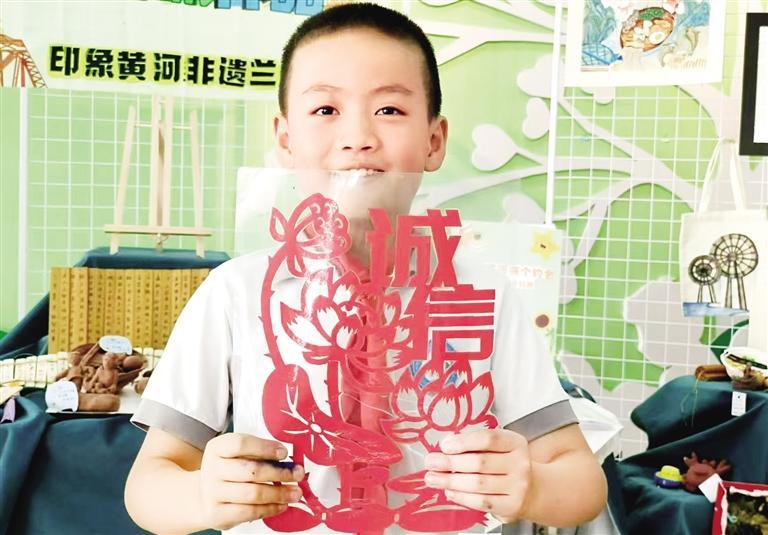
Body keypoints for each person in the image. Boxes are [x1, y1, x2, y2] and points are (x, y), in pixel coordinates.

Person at [125, 3, 607, 534]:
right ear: (285, 139)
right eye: (325, 109)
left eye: (390, 110)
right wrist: (199, 494)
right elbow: (148, 484)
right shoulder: (235, 294)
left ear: (434, 140)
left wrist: (532, 486)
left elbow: (582, 482)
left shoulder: (482, 293)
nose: (358, 137)